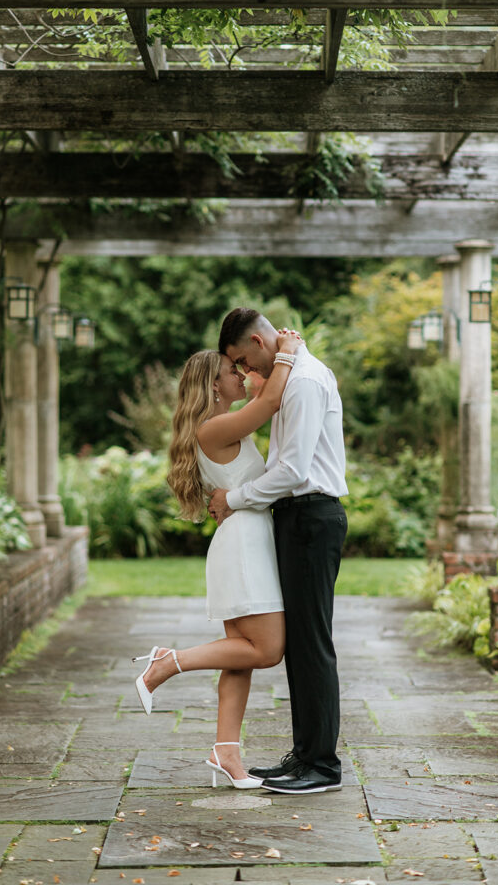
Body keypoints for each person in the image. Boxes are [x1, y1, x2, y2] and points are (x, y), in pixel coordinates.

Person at [131, 330, 303, 789]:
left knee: (240, 659)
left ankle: (226, 752)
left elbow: (265, 392)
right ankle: (170, 660)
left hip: (242, 540)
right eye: (233, 370)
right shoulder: (214, 427)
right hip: (245, 545)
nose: (243, 375)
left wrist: (278, 358)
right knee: (266, 651)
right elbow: (268, 404)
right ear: (212, 384)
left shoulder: (219, 422)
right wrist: (286, 352)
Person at [209, 308, 348, 795]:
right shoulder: (287, 377)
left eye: (242, 360)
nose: (244, 371)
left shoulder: (305, 380)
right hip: (295, 519)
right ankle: (305, 754)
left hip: (312, 516)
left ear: (256, 340)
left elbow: (291, 469)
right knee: (300, 648)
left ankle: (322, 767)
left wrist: (233, 499)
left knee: (312, 644)